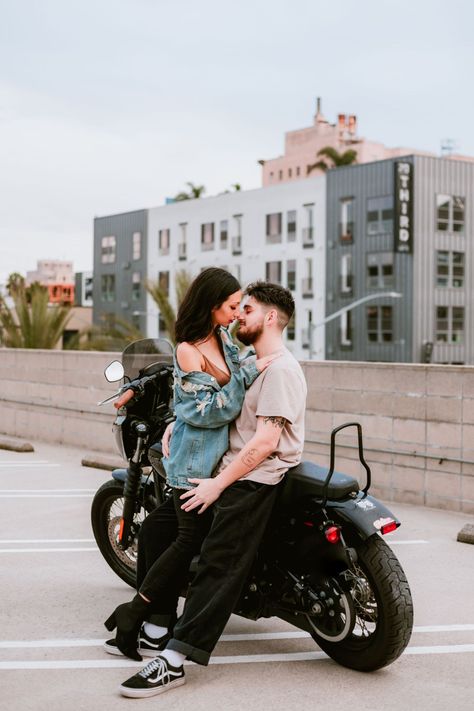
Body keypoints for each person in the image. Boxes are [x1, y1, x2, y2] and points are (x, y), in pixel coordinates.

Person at [118, 281, 307, 698]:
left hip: (253, 476)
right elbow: (214, 398)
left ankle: (174, 660)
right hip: (224, 467)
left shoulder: (280, 370)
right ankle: (156, 621)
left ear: (270, 318)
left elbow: (264, 443)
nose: (240, 314)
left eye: (249, 309)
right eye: (236, 307)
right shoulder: (252, 358)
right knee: (156, 530)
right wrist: (175, 423)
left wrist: (218, 485)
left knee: (218, 565)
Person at [104, 268, 275, 660]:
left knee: (152, 534)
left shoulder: (223, 340)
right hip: (192, 463)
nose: (236, 313)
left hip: (208, 458)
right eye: (232, 306)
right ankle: (139, 616)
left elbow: (241, 370)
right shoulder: (187, 349)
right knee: (187, 541)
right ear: (212, 305)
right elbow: (210, 410)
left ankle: (150, 622)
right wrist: (248, 373)